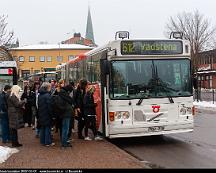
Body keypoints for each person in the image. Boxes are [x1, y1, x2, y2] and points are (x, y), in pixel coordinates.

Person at [38, 82, 55, 147]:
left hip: (41, 113)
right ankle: (48, 142)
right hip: (47, 114)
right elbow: (50, 107)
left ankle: (43, 141)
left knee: (43, 128)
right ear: (47, 88)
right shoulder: (48, 96)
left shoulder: (40, 95)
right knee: (47, 128)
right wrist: (52, 115)